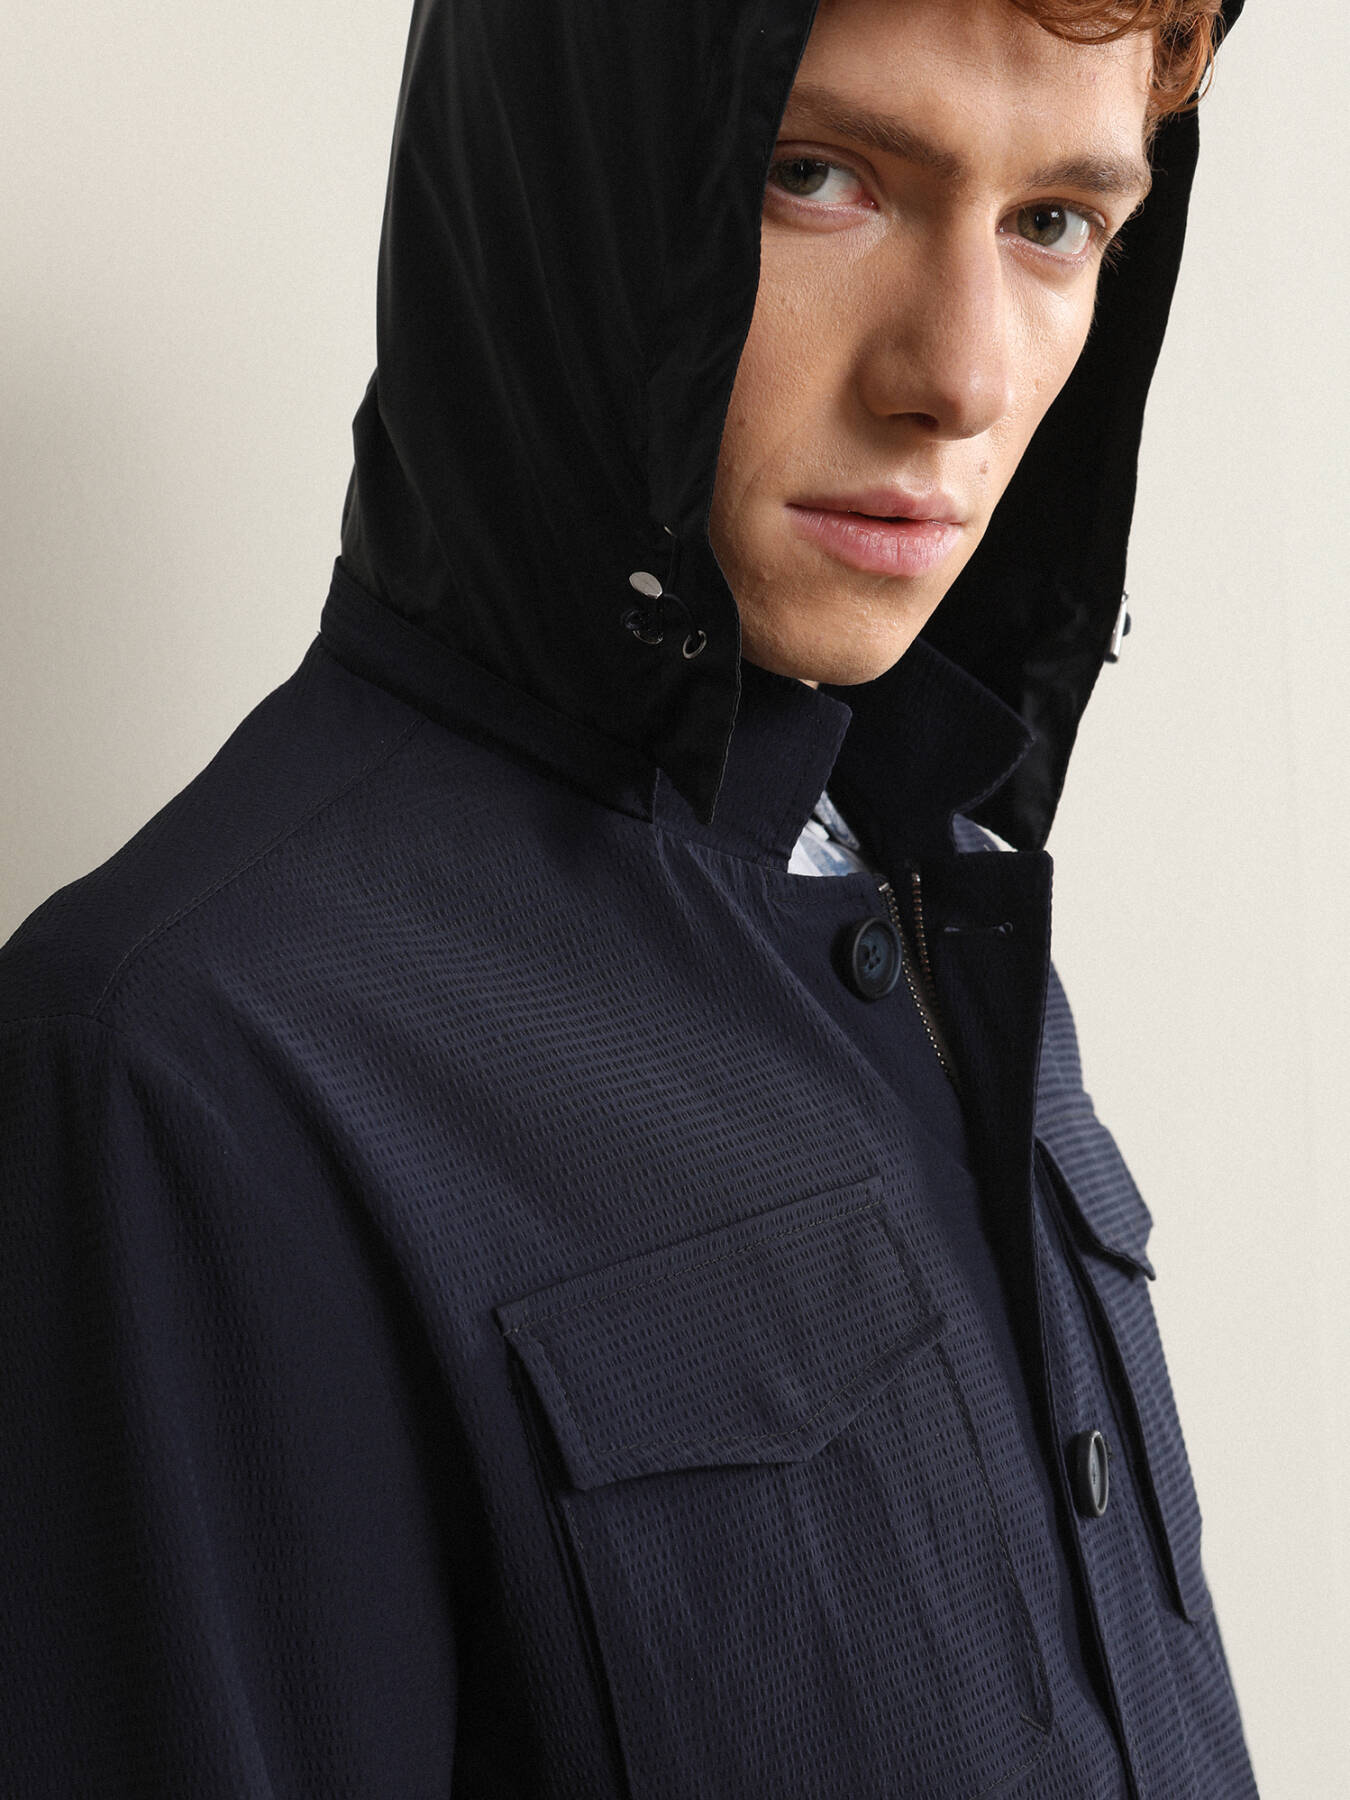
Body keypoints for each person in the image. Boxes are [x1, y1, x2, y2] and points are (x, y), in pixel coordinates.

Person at [0, 0, 1259, 1792]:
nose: (963, 377)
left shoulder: (927, 879)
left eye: (1054, 221)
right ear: (565, 184)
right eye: (815, 177)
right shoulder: (190, 1058)